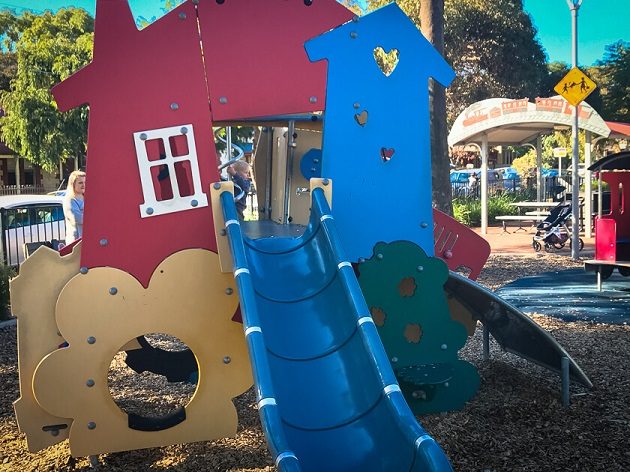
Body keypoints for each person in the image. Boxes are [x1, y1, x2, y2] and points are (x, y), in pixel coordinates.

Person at [63, 170, 86, 245]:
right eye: (80, 183)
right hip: (75, 241)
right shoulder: (69, 200)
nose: (83, 185)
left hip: (87, 240)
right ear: (73, 184)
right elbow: (79, 219)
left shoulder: (87, 198)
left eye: (85, 182)